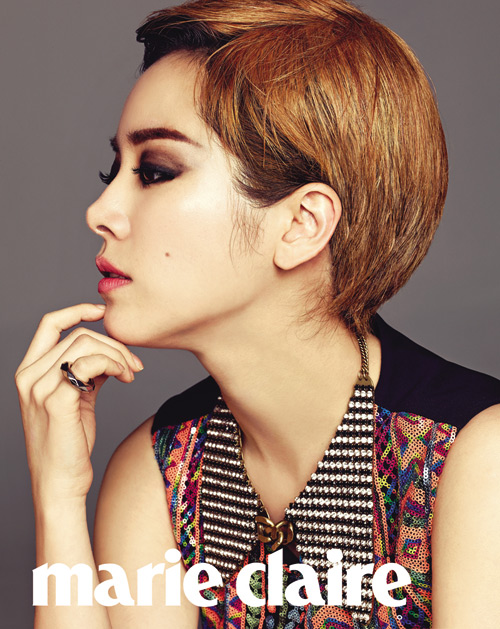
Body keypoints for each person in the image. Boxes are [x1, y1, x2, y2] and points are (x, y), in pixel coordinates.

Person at [14, 0, 500, 627]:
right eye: (116, 171)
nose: (100, 211)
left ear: (301, 224)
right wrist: (57, 496)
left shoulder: (474, 458)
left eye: (155, 171)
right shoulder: (161, 471)